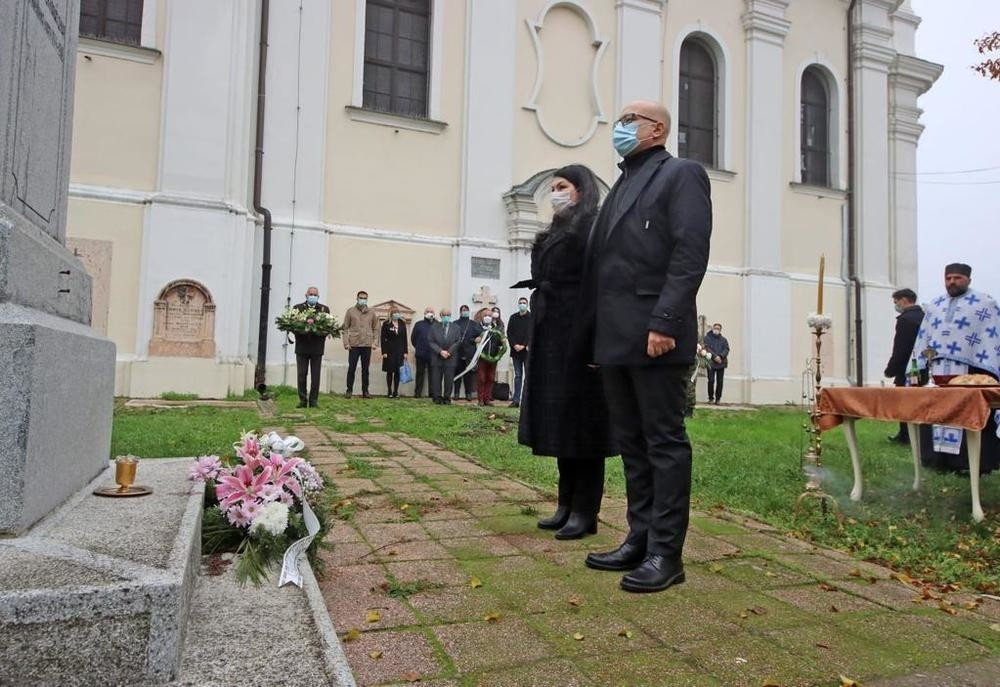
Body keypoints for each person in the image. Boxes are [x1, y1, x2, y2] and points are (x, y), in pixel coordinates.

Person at [581, 100, 712, 593]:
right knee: (632, 444)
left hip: (656, 333)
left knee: (663, 442)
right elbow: (605, 269)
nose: (620, 126)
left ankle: (666, 553)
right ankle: (639, 537)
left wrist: (665, 320)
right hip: (616, 338)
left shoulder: (681, 174)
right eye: (619, 120)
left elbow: (689, 252)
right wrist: (597, 338)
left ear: (657, 128)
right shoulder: (622, 181)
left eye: (630, 119)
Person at [517, 164, 615, 541]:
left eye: (563, 186)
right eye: (554, 186)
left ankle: (585, 512)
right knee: (560, 422)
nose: (555, 192)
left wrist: (596, 342)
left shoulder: (592, 228)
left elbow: (600, 288)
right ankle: (566, 503)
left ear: (581, 190)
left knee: (583, 428)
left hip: (580, 336)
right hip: (552, 338)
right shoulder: (556, 229)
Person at [911, 263, 1000, 474]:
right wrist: (917, 364)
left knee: (969, 412)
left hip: (972, 369)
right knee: (936, 411)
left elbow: (991, 336)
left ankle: (973, 463)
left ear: (968, 279)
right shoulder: (935, 305)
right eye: (948, 278)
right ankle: (937, 460)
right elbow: (924, 337)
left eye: (957, 278)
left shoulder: (985, 303)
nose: (952, 282)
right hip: (938, 369)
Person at [883, 288, 924, 444]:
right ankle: (918, 436)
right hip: (923, 368)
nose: (896, 305)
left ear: (904, 300)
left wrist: (891, 369)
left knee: (904, 402)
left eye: (896, 302)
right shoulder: (924, 317)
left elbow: (901, 348)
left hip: (907, 369)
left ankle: (905, 436)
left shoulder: (906, 319)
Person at [292, 286, 330, 408]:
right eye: (311, 294)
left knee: (315, 376)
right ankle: (302, 400)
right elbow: (293, 326)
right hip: (302, 347)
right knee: (302, 374)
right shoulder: (298, 308)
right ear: (306, 295)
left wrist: (317, 331)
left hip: (317, 347)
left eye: (315, 294)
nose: (313, 296)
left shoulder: (324, 309)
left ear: (318, 296)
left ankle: (313, 401)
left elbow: (328, 327)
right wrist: (304, 328)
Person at [342, 290, 379, 398]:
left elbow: (376, 328)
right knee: (351, 368)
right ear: (357, 299)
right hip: (354, 344)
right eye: (361, 298)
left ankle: (365, 391)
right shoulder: (350, 311)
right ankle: (349, 390)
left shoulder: (371, 312)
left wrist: (375, 342)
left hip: (367, 344)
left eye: (365, 298)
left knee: (365, 369)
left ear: (367, 299)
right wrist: (346, 343)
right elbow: (345, 328)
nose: (363, 300)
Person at [428, 307, 463, 404]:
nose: (446, 317)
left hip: (450, 358)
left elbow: (458, 341)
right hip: (437, 357)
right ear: (441, 316)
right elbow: (431, 341)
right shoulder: (434, 327)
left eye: (448, 315)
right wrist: (440, 351)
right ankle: (437, 397)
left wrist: (449, 352)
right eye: (444, 315)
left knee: (449, 379)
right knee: (436, 379)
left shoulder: (456, 327)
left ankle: (447, 398)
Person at [474, 312, 508, 406]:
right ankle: (480, 399)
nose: (487, 317)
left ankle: (487, 399)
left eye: (489, 315)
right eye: (485, 316)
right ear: (482, 317)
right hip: (482, 357)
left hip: (493, 357)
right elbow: (471, 338)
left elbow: (500, 342)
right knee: (481, 378)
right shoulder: (477, 327)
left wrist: (503, 341)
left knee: (491, 378)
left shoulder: (497, 328)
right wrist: (475, 339)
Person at [506, 296, 532, 408]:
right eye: (520, 302)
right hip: (516, 351)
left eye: (524, 303)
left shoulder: (532, 317)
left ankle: (526, 400)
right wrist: (515, 344)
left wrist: (525, 344)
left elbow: (532, 332)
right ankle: (516, 400)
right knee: (517, 376)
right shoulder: (513, 317)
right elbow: (509, 332)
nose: (522, 304)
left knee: (528, 376)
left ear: (527, 304)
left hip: (526, 351)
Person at [453, 305, 481, 401]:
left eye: (466, 310)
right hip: (457, 352)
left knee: (468, 375)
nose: (465, 311)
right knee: (457, 373)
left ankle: (468, 393)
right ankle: (456, 393)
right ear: (460, 312)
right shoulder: (455, 323)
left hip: (470, 352)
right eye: (463, 310)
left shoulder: (473, 324)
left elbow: (480, 335)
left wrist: (475, 339)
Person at [380, 307, 409, 398]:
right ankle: (389, 391)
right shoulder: (386, 324)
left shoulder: (402, 323)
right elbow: (382, 339)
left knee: (397, 371)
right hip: (389, 351)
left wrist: (405, 352)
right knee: (390, 371)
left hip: (400, 351)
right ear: (391, 314)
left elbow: (405, 339)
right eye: (394, 313)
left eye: (397, 312)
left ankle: (396, 391)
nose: (396, 314)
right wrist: (384, 351)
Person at [410, 307, 436, 398]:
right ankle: (417, 393)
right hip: (421, 353)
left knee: (432, 374)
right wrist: (418, 347)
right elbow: (413, 339)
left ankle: (432, 393)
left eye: (431, 311)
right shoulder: (418, 324)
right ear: (424, 313)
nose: (430, 313)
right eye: (428, 312)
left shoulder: (437, 325)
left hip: (433, 354)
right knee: (420, 373)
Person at [702, 323, 729, 404]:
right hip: (711, 363)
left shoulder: (724, 340)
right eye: (715, 328)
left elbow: (726, 349)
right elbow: (707, 348)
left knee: (720, 382)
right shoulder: (707, 338)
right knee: (711, 380)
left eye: (718, 328)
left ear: (720, 330)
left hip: (721, 363)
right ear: (713, 328)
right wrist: (715, 357)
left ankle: (718, 399)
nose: (716, 330)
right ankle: (710, 398)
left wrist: (720, 356)